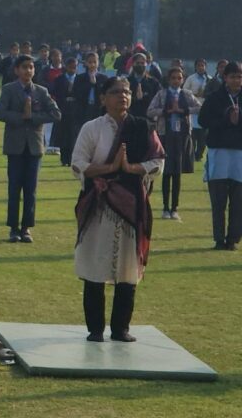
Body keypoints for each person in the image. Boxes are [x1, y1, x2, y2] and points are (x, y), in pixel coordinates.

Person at [72, 77, 164, 342]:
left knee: (127, 268)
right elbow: (78, 163)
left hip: (130, 206)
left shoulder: (142, 127)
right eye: (115, 92)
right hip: (99, 206)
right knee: (94, 266)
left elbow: (158, 159)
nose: (122, 97)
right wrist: (109, 169)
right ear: (103, 98)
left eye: (126, 92)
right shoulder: (92, 129)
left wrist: (133, 169)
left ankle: (121, 328)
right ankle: (96, 330)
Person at [0, 55, 62, 243]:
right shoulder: (9, 90)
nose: (28, 71)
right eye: (24, 67)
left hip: (34, 147)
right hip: (15, 146)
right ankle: (13, 228)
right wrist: (20, 116)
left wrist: (32, 117)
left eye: (31, 67)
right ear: (16, 70)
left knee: (30, 190)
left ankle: (26, 228)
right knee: (14, 188)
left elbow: (56, 114)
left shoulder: (41, 91)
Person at [198, 61, 242, 251]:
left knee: (238, 200)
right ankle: (218, 239)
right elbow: (202, 120)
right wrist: (225, 118)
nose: (237, 80)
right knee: (218, 200)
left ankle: (232, 239)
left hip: (240, 153)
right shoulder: (215, 97)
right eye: (233, 76)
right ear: (225, 77)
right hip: (219, 152)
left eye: (240, 77)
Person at [147, 67, 201, 220]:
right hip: (165, 135)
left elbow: (199, 107)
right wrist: (165, 112)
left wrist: (184, 110)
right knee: (167, 173)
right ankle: (165, 207)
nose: (176, 81)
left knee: (177, 173)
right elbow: (150, 111)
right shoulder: (162, 94)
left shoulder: (187, 94)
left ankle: (175, 207)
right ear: (168, 79)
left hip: (181, 137)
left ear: (183, 79)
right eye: (173, 78)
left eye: (179, 78)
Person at [50, 57, 79, 167]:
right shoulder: (59, 79)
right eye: (70, 67)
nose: (72, 69)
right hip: (63, 110)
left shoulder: (79, 79)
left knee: (73, 136)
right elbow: (56, 93)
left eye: (74, 67)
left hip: (75, 112)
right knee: (63, 135)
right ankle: (64, 158)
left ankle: (72, 158)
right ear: (66, 67)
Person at [183, 58, 212, 162]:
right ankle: (191, 155)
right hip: (193, 109)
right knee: (193, 135)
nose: (201, 67)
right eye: (199, 65)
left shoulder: (209, 79)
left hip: (204, 109)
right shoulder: (191, 78)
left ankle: (198, 155)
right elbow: (184, 91)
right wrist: (194, 94)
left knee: (203, 137)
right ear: (196, 67)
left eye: (203, 65)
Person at [127, 53, 162, 121]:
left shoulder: (153, 82)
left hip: (148, 120)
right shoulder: (126, 82)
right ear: (133, 64)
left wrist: (144, 97)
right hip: (130, 120)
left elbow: (158, 101)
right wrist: (135, 98)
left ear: (146, 64)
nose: (140, 65)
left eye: (142, 63)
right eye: (138, 63)